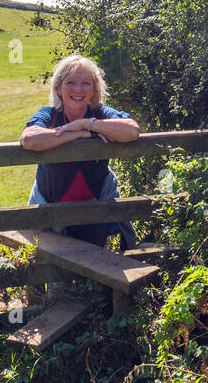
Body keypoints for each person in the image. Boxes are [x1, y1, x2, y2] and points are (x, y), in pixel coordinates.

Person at [19, 54, 142, 251]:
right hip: (51, 208)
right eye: (70, 82)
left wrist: (86, 124)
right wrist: (78, 135)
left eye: (86, 83)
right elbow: (30, 139)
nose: (78, 89)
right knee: (54, 271)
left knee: (97, 265)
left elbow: (132, 130)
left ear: (94, 90)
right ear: (59, 88)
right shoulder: (49, 114)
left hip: (97, 208)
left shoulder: (101, 113)